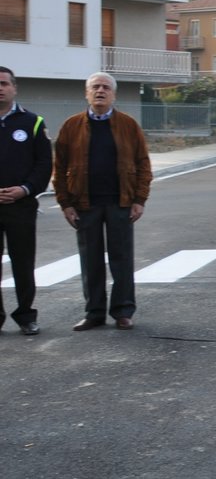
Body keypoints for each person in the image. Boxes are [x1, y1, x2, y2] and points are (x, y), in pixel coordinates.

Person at [53, 72, 152, 331]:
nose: (100, 91)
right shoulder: (71, 126)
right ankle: (94, 312)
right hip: (85, 203)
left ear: (114, 94)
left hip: (120, 202)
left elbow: (143, 163)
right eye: (95, 87)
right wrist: (66, 203)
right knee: (90, 260)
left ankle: (123, 311)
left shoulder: (129, 125)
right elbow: (59, 167)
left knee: (122, 259)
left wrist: (139, 199)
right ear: (86, 93)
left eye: (106, 87)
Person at [0, 66, 51, 335]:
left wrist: (25, 189)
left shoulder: (33, 122)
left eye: (4, 83)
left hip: (21, 206)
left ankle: (26, 316)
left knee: (23, 262)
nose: (0, 88)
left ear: (14, 88)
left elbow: (44, 164)